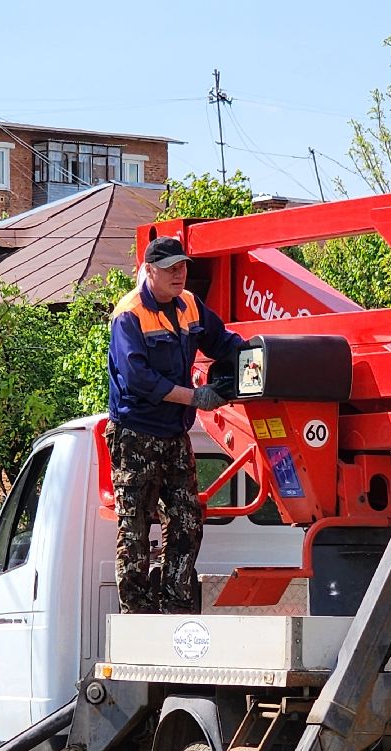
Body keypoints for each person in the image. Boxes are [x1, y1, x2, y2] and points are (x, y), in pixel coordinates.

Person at [106, 235, 245, 615]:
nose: (179, 274)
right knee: (134, 527)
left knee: (187, 520)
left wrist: (253, 361)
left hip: (173, 433)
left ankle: (174, 605)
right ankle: (135, 610)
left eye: (182, 266)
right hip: (134, 435)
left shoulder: (190, 306)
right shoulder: (129, 315)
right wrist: (195, 396)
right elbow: (138, 379)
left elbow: (223, 341)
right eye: (170, 268)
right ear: (149, 271)